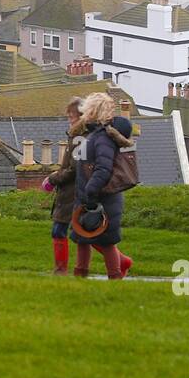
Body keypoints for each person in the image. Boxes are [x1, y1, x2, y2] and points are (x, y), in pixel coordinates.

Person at [71, 92, 134, 280]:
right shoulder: (95, 135)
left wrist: (90, 191)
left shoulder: (102, 138)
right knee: (82, 240)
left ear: (93, 110)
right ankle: (79, 278)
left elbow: (103, 169)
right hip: (87, 197)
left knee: (106, 242)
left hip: (99, 198)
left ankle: (115, 277)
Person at [43, 97, 84, 275]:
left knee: (62, 230)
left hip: (72, 192)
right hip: (69, 192)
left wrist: (53, 179)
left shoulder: (78, 139)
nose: (69, 120)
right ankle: (61, 269)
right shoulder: (76, 137)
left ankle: (61, 270)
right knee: (77, 232)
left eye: (71, 116)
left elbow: (73, 170)